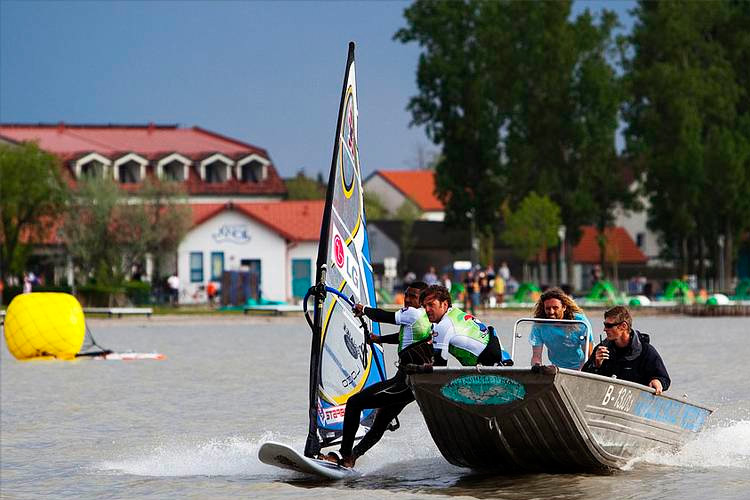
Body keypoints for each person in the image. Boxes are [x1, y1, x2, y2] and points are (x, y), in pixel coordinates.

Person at [322, 281, 433, 468]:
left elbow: (386, 316)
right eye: (406, 294)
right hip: (412, 384)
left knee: (354, 402)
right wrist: (379, 339)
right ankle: (351, 458)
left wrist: (363, 309)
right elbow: (403, 336)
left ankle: (344, 453)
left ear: (422, 300)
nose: (407, 299)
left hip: (404, 383)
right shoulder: (425, 318)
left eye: (413, 296)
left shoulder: (413, 313)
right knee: (380, 424)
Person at [582, 306, 670, 394]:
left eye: (609, 325)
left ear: (623, 326)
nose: (604, 329)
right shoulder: (601, 349)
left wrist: (658, 381)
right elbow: (583, 379)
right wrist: (596, 365)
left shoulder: (646, 351)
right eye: (605, 325)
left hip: (635, 401)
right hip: (604, 398)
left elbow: (664, 378)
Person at [421, 284, 511, 367]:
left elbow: (439, 367)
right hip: (503, 362)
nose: (427, 310)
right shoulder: (455, 313)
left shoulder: (443, 325)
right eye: (424, 306)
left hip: (491, 371)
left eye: (431, 305)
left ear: (444, 304)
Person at [530, 287, 593, 370]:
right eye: (548, 308)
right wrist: (537, 367)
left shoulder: (580, 322)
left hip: (581, 366)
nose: (551, 312)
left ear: (564, 307)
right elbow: (536, 356)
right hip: (557, 368)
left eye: (555, 308)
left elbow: (589, 355)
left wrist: (579, 373)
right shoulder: (539, 324)